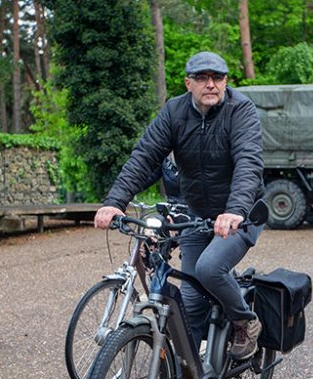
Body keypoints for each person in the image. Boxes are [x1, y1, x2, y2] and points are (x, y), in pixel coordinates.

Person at [94, 51, 265, 361]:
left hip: (241, 214)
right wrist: (114, 203)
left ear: (225, 82)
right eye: (202, 78)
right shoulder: (174, 112)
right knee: (190, 302)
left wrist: (235, 209)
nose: (211, 84)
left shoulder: (241, 111)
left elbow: (248, 163)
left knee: (210, 268)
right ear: (188, 83)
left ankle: (245, 321)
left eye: (218, 78)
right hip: (196, 214)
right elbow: (144, 157)